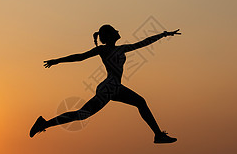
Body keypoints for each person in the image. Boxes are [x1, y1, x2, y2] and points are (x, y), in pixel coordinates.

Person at [30, 24, 181, 144]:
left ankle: (44, 124)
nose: (118, 31)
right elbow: (80, 57)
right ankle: (158, 135)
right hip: (111, 87)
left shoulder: (122, 48)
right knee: (140, 102)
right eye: (115, 30)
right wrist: (57, 61)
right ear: (109, 35)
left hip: (110, 87)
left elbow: (143, 43)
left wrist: (163, 34)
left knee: (82, 114)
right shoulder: (103, 50)